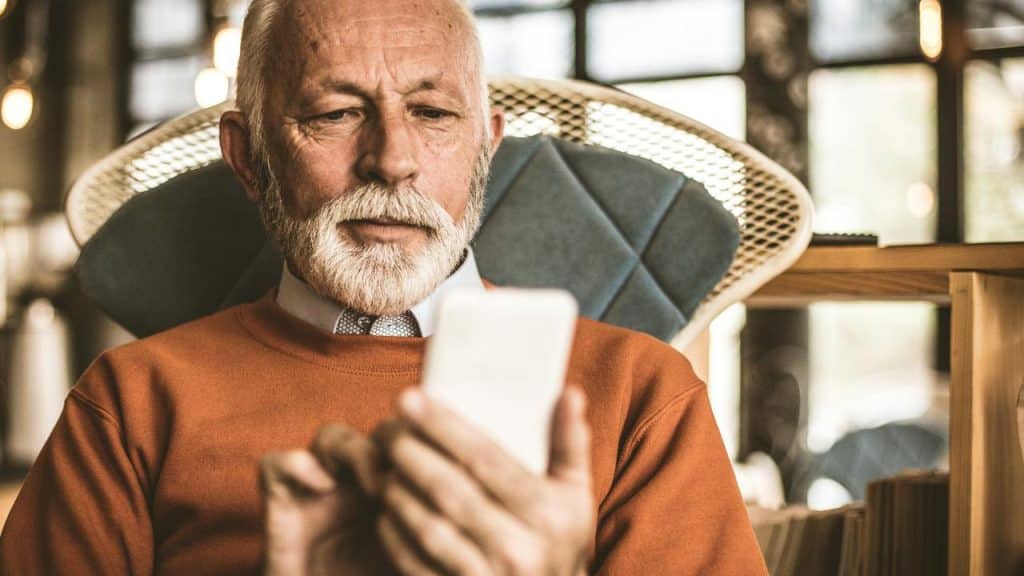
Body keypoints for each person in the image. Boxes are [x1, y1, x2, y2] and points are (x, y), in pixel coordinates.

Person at [0, 0, 767, 574]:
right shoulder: (130, 405)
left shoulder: (642, 397)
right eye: (335, 114)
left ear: (483, 151)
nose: (392, 159)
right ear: (247, 156)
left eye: (432, 113)